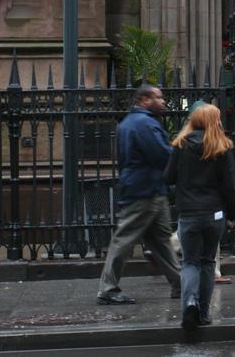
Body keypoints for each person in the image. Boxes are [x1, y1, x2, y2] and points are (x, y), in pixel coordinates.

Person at [96, 84, 181, 304]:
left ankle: (180, 283)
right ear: (144, 100)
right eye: (158, 98)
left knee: (161, 240)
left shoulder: (128, 122)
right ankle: (107, 289)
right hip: (145, 190)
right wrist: (178, 153)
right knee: (124, 238)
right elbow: (161, 155)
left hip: (144, 187)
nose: (163, 101)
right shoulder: (145, 124)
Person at [163, 103, 235, 330]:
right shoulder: (222, 147)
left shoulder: (181, 145)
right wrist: (232, 214)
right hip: (214, 213)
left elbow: (168, 178)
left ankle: (189, 303)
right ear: (216, 121)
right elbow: (230, 187)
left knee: (190, 262)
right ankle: (203, 313)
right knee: (207, 262)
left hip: (188, 212)